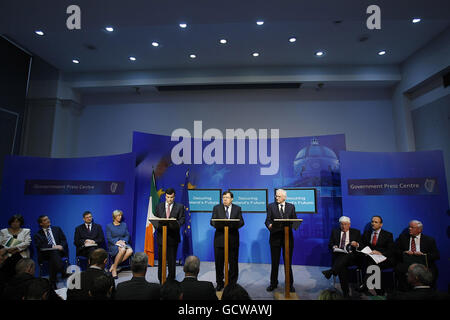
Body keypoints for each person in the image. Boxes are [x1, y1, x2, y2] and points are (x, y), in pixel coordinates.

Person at [210, 190, 244, 291]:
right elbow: (212, 221)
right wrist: (220, 224)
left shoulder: (237, 208)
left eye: (227, 197)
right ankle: (220, 283)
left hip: (232, 239)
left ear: (232, 199)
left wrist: (231, 224)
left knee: (233, 263)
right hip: (219, 240)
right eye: (223, 198)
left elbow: (241, 222)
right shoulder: (217, 208)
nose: (225, 199)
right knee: (219, 263)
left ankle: (232, 283)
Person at [265, 189, 297, 292]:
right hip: (275, 238)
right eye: (276, 196)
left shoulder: (291, 207)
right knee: (275, 262)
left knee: (288, 262)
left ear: (284, 197)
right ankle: (273, 283)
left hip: (288, 239)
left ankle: (289, 284)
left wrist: (294, 225)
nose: (276, 198)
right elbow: (268, 220)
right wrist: (269, 225)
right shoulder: (271, 206)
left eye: (279, 196)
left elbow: (294, 220)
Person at [394, 220, 440, 291]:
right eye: (409, 227)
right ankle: (404, 293)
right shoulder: (403, 238)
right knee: (399, 269)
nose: (409, 229)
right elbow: (395, 251)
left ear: (419, 229)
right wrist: (404, 253)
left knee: (433, 270)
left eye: (412, 227)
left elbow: (436, 255)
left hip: (423, 264)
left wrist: (424, 255)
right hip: (407, 263)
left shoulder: (429, 240)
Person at [322, 216, 361, 298]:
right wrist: (334, 246)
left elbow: (362, 245)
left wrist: (357, 244)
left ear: (349, 225)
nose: (343, 226)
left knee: (346, 256)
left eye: (346, 224)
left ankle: (331, 271)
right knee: (342, 268)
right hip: (339, 256)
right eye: (342, 224)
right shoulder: (335, 231)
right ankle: (346, 293)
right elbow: (330, 244)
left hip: (352, 257)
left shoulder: (356, 232)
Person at [154, 188, 185, 283]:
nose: (170, 199)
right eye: (168, 197)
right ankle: (161, 279)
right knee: (161, 260)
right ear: (165, 196)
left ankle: (171, 279)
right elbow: (155, 218)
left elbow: (182, 220)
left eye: (171, 197)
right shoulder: (159, 206)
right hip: (161, 237)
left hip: (173, 237)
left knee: (172, 261)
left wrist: (175, 224)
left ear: (174, 196)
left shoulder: (179, 207)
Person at [358, 215, 394, 294]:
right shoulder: (366, 234)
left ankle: (365, 284)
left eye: (376, 222)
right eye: (372, 221)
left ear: (381, 224)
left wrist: (380, 253)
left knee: (373, 265)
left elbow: (391, 250)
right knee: (372, 264)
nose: (373, 223)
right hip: (369, 258)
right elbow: (362, 246)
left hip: (383, 259)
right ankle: (379, 292)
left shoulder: (388, 235)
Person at [33, 215, 70, 289]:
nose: (48, 220)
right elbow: (40, 246)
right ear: (41, 223)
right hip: (45, 254)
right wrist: (53, 247)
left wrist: (61, 246)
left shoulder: (57, 229)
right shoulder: (38, 234)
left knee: (54, 254)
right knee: (53, 253)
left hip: (59, 253)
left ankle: (52, 280)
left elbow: (64, 240)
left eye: (48, 219)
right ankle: (62, 270)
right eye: (45, 220)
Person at [106, 210, 133, 278]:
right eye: (118, 215)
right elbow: (109, 238)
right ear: (114, 217)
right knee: (123, 250)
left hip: (123, 243)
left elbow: (127, 235)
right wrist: (117, 241)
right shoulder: (109, 226)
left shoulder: (124, 225)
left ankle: (114, 266)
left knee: (130, 251)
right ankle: (114, 270)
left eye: (121, 215)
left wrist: (123, 241)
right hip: (113, 244)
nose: (120, 217)